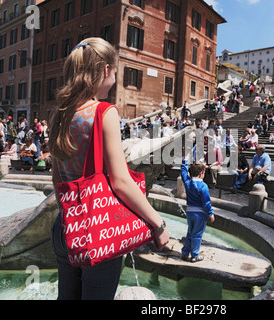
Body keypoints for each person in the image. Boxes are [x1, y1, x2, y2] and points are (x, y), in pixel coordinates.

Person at [49, 38, 169, 300]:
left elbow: (58, 180)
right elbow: (121, 182)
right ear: (105, 70)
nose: (114, 80)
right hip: (98, 232)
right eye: (115, 73)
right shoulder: (104, 112)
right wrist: (158, 225)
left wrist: (71, 223)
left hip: (64, 227)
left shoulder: (58, 114)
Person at [180, 156, 215, 262]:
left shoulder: (188, 182)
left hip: (190, 212)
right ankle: (195, 255)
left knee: (190, 232)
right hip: (200, 213)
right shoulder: (203, 186)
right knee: (197, 234)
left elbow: (183, 172)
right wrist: (211, 213)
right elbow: (206, 202)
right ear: (201, 173)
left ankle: (185, 252)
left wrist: (185, 160)